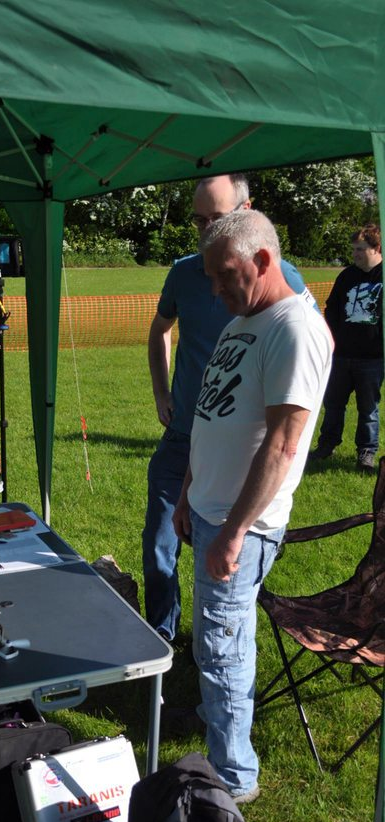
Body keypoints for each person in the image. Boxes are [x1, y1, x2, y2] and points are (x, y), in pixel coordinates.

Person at [172, 210, 332, 803]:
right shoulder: (245, 322)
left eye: (224, 275)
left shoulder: (295, 329)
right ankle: (221, 737)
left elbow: (285, 444)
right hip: (211, 512)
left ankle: (233, 777)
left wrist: (235, 531)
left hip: (242, 525)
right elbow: (211, 413)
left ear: (262, 261)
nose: (215, 289)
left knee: (221, 645)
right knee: (217, 642)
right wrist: (189, 490)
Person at [142, 174, 315, 641]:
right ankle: (161, 636)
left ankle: (213, 646)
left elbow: (308, 358)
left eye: (216, 219)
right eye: (199, 220)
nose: (204, 231)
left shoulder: (282, 279)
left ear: (246, 211)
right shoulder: (185, 270)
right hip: (186, 434)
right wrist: (163, 393)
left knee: (220, 567)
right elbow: (159, 329)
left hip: (235, 455)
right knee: (159, 543)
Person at [309, 223, 383, 471]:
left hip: (373, 359)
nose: (355, 255)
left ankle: (366, 452)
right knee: (333, 404)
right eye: (353, 250)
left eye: (360, 249)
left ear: (377, 248)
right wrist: (332, 338)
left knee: (368, 408)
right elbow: (331, 308)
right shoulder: (347, 276)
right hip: (340, 356)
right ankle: (326, 445)